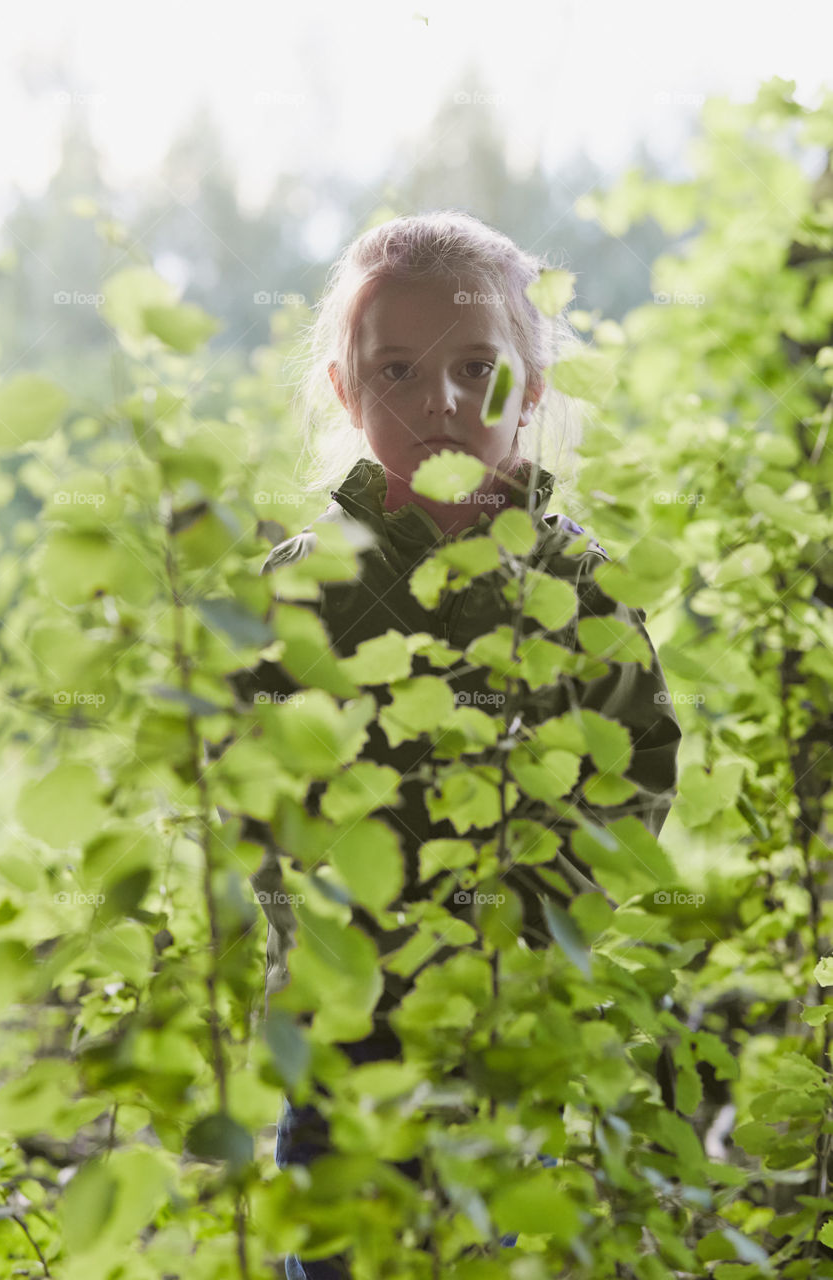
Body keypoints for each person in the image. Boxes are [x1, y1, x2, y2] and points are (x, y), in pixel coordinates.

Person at [218, 211, 682, 1279]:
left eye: (476, 366)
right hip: (338, 1033)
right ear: (344, 389)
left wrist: (529, 915)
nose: (438, 401)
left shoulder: (575, 586)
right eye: (397, 368)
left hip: (496, 1028)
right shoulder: (299, 587)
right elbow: (240, 779)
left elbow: (634, 775)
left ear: (529, 387)